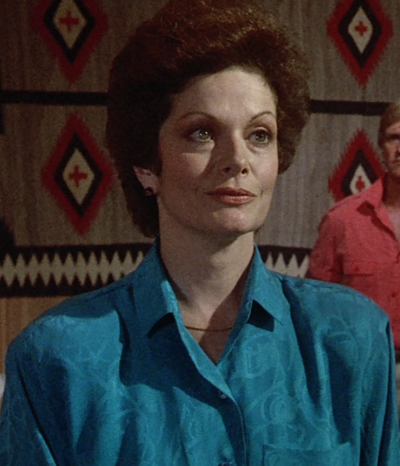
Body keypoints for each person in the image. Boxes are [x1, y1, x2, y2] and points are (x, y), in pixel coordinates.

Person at [0, 0, 399, 464]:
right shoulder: (57, 358)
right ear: (147, 164)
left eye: (259, 135)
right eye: (202, 133)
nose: (238, 159)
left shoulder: (349, 338)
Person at [307, 99, 400, 351]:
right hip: (360, 363)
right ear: (381, 145)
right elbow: (316, 307)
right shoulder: (342, 220)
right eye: (394, 138)